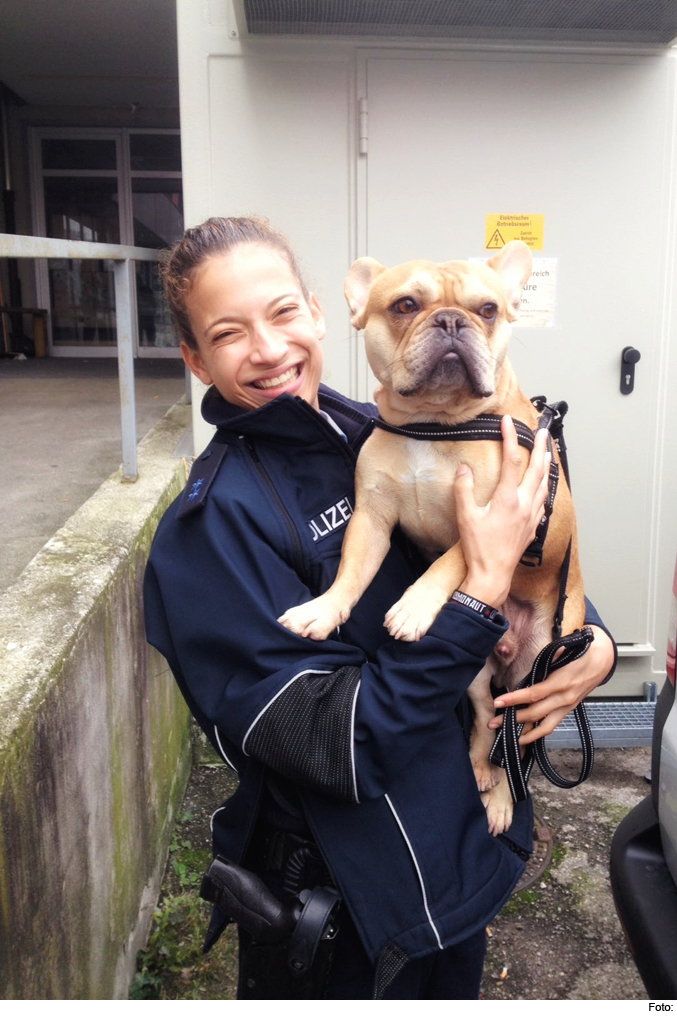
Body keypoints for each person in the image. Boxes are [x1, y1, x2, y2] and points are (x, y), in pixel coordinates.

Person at [143, 216, 616, 1000]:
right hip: (351, 919)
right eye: (229, 333)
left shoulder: (383, 429)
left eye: (284, 313)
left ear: (321, 313)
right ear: (194, 359)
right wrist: (473, 599)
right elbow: (336, 747)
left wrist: (587, 641)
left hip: (460, 861)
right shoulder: (207, 534)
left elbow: (520, 558)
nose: (268, 348)